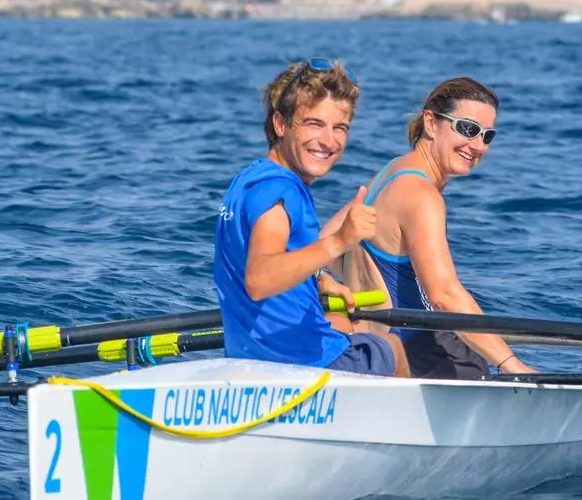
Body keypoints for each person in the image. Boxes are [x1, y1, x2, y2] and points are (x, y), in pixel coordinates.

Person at [331, 77, 535, 379]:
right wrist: (514, 365)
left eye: (487, 136)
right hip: (412, 351)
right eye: (467, 129)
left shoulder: (393, 169)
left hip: (372, 343)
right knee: (484, 359)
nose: (477, 145)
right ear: (430, 122)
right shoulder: (421, 196)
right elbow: (444, 295)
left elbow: (325, 244)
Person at [213, 58, 406, 377]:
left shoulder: (247, 181)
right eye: (314, 124)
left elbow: (269, 256)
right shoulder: (281, 192)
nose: (329, 141)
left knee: (344, 322)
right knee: (393, 349)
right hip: (301, 365)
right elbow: (260, 280)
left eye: (339, 128)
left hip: (249, 358)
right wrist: (339, 240)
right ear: (280, 124)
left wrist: (319, 280)